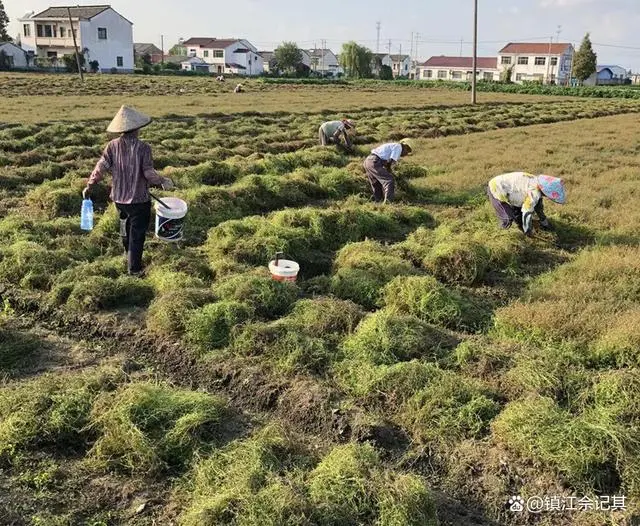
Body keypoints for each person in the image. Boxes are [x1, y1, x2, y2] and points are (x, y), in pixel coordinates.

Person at [83, 106, 174, 276]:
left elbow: (100, 167)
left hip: (119, 198)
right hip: (139, 200)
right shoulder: (143, 148)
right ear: (137, 128)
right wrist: (163, 181)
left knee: (125, 226)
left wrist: (90, 184)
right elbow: (148, 173)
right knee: (137, 234)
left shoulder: (112, 146)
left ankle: (127, 253)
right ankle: (134, 269)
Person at [487, 172, 566, 236]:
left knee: (520, 217)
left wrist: (545, 223)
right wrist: (528, 230)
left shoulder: (537, 183)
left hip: (513, 192)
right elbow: (527, 211)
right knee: (507, 219)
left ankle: (522, 229)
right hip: (497, 189)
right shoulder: (535, 192)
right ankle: (501, 236)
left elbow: (539, 208)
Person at [363, 139, 413, 203]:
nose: (406, 154)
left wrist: (389, 170)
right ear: (406, 146)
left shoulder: (392, 146)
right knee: (389, 180)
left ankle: (378, 202)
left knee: (376, 183)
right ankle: (388, 203)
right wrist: (390, 171)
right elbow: (390, 162)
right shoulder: (398, 147)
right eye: (407, 151)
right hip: (374, 162)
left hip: (368, 161)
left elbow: (387, 163)